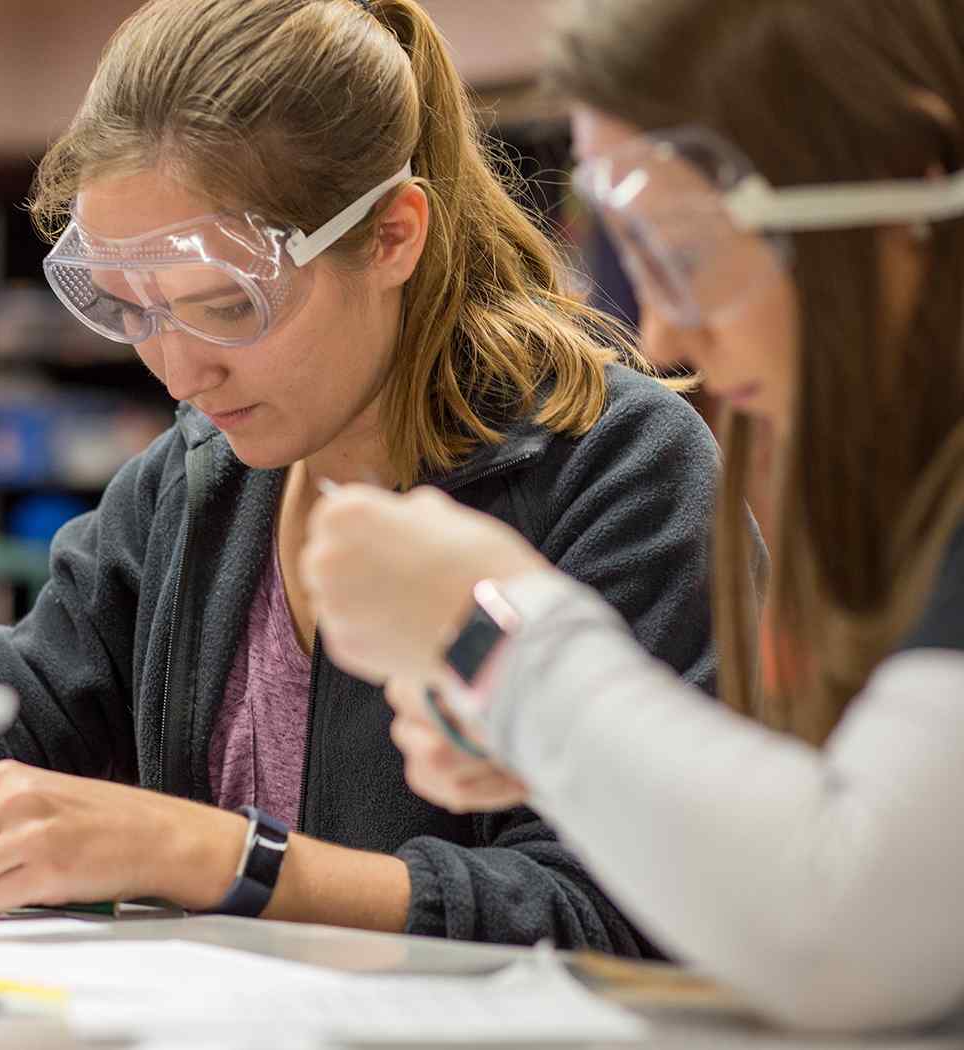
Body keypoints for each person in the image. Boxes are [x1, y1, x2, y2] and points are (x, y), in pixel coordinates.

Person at [0, 0, 757, 950]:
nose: (179, 370)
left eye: (226, 306)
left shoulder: (619, 468)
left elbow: (629, 913)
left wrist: (225, 860)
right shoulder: (188, 487)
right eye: (133, 310)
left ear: (394, 235)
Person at [301, 0, 964, 1029]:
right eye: (629, 256)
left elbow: (842, 934)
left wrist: (496, 632)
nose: (659, 333)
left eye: (688, 248)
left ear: (911, 182)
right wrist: (570, 756)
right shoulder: (880, 480)